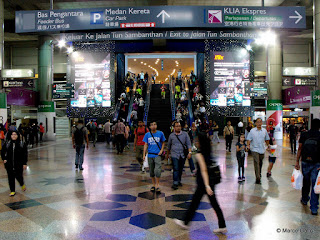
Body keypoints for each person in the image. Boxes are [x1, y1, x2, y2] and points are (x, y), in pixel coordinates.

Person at [174, 132, 227, 234]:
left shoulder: (199, 154)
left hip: (204, 183)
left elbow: (204, 170)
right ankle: (186, 222)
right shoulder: (208, 151)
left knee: (198, 203)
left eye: (197, 141)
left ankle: (185, 223)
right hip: (209, 182)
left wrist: (207, 186)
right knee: (201, 203)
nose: (196, 143)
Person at [295, 118, 320, 215]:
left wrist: (297, 161)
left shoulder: (304, 134)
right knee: (315, 185)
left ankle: (305, 199)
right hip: (316, 163)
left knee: (306, 181)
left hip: (305, 161)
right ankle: (314, 208)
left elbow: (300, 148)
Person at [1, 131, 28, 197]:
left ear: (17, 135)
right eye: (12, 134)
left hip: (18, 164)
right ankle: (12, 190)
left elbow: (25, 154)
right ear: (10, 135)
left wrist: (24, 163)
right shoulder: (7, 143)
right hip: (9, 164)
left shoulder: (22, 144)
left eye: (15, 134)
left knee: (19, 176)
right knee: (11, 177)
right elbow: (2, 152)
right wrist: (4, 158)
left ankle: (22, 184)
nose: (14, 136)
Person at [167, 121, 192, 190]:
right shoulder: (171, 135)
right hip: (174, 154)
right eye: (177, 126)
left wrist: (189, 152)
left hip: (182, 154)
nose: (178, 128)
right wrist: (168, 154)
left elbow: (188, 144)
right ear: (174, 127)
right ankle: (175, 182)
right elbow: (169, 146)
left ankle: (179, 180)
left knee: (180, 168)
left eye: (179, 126)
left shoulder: (185, 134)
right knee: (175, 168)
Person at [143, 121, 166, 193]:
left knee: (158, 170)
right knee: (151, 170)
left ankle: (158, 185)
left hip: (157, 155)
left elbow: (163, 142)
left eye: (155, 124)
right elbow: (145, 144)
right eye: (152, 125)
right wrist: (144, 154)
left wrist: (161, 150)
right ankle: (153, 184)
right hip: (150, 154)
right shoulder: (147, 135)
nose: (153, 126)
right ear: (149, 127)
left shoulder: (160, 133)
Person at [246, 118, 270, 184]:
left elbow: (267, 139)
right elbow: (249, 139)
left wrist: (268, 146)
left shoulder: (264, 131)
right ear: (255, 123)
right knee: (256, 162)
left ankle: (259, 173)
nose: (259, 123)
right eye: (258, 122)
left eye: (260, 122)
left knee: (260, 162)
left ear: (262, 123)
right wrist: (248, 145)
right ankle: (258, 178)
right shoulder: (252, 131)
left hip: (262, 149)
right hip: (254, 149)